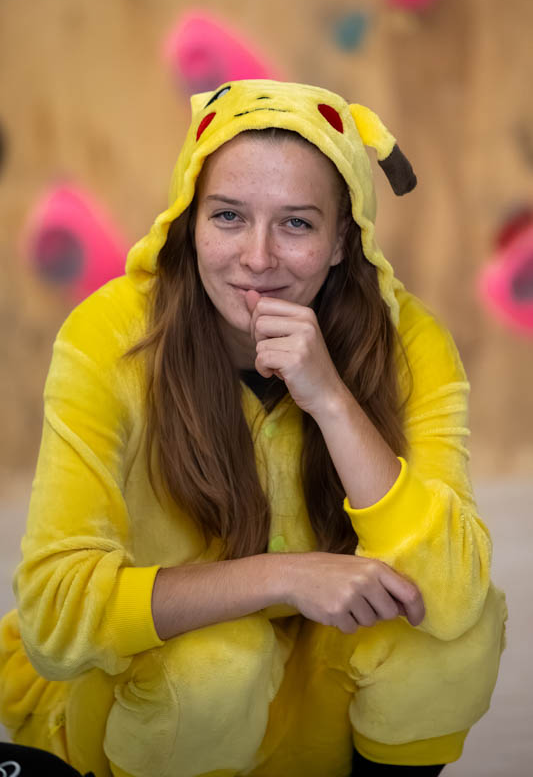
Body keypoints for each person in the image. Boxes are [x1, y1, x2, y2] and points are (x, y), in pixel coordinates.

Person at [0, 79, 508, 777]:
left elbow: (454, 596)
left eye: (296, 224)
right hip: (156, 721)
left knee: (453, 638)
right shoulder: (108, 338)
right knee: (216, 664)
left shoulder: (409, 343)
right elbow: (54, 617)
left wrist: (330, 399)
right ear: (189, 220)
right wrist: (283, 576)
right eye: (229, 216)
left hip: (316, 716)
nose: (258, 258)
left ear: (342, 240)